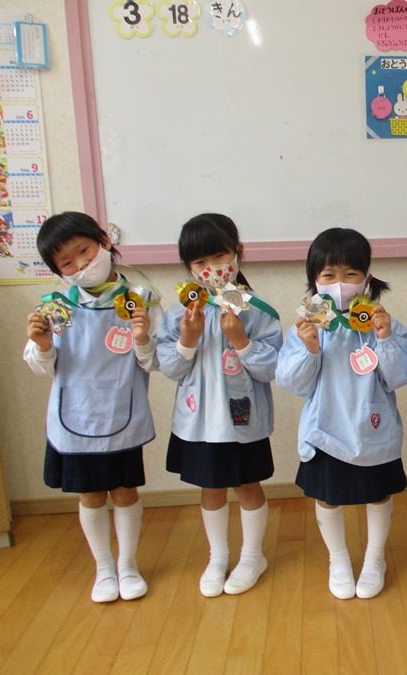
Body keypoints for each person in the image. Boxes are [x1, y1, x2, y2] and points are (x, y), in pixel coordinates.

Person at [24, 211, 162, 603]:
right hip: (75, 414)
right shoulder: (56, 306)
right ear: (58, 271)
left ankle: (128, 566)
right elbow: (40, 365)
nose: (81, 264)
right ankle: (104, 569)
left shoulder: (141, 300)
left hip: (121, 410)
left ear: (103, 241)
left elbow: (157, 362)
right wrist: (42, 345)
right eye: (66, 262)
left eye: (83, 250)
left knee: (125, 491)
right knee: (90, 495)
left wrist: (142, 339)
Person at [276, 228, 407, 600]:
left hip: (373, 429)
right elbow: (291, 382)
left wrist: (384, 337)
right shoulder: (308, 326)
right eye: (329, 275)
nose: (340, 284)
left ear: (367, 277)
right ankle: (337, 559)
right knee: (328, 496)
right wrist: (310, 348)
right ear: (314, 281)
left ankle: (374, 558)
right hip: (325, 429)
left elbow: (400, 376)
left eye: (350, 274)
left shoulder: (382, 322)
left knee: (378, 494)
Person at [156, 213, 282, 597]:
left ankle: (252, 556)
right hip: (199, 421)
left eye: (220, 256)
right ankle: (218, 557)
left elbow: (272, 368)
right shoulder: (180, 313)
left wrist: (242, 340)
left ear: (238, 252)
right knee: (210, 488)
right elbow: (170, 368)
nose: (212, 268)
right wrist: (187, 339)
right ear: (188, 267)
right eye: (200, 262)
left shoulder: (256, 309)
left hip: (242, 420)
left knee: (248, 485)